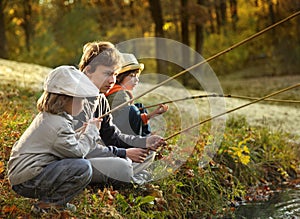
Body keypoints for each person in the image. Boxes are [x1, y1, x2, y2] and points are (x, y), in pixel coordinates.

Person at [7, 66, 102, 213]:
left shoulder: (51, 117)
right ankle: (49, 205)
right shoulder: (59, 125)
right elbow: (78, 153)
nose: (83, 104)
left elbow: (62, 144)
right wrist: (92, 131)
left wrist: (81, 134)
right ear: (65, 99)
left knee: (79, 165)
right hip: (27, 180)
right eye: (81, 99)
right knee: (83, 167)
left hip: (22, 175)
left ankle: (53, 203)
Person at [74, 41, 166, 184]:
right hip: (75, 161)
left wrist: (144, 141)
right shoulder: (74, 99)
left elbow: (113, 136)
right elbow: (77, 148)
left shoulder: (100, 100)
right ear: (88, 70)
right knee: (123, 167)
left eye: (115, 74)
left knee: (147, 153)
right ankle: (129, 176)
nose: (112, 80)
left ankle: (127, 174)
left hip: (98, 153)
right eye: (107, 73)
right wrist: (123, 153)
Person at [105, 53, 168, 137]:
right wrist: (150, 115)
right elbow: (123, 123)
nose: (136, 79)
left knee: (139, 106)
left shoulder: (119, 92)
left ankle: (146, 138)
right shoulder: (120, 95)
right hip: (117, 138)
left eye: (136, 76)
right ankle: (143, 142)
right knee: (133, 109)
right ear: (119, 77)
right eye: (132, 76)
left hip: (118, 133)